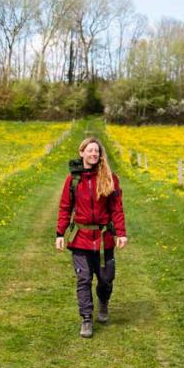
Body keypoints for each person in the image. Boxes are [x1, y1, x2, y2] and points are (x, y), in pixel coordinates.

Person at [55, 136, 128, 338]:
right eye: (90, 150)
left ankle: (103, 302)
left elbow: (117, 209)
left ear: (100, 154)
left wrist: (121, 233)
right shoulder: (73, 180)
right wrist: (60, 233)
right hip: (81, 239)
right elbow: (64, 208)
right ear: (82, 153)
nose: (93, 154)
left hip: (104, 240)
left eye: (97, 151)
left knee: (106, 279)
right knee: (83, 279)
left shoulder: (110, 178)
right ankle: (86, 319)